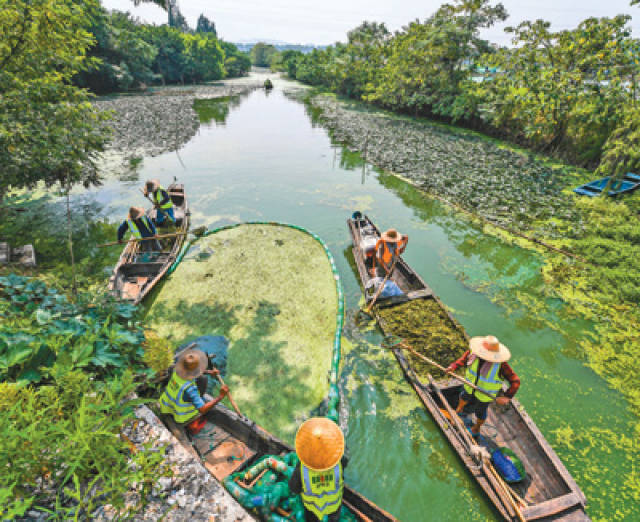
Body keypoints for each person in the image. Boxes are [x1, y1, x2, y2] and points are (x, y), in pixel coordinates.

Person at [446, 335, 520, 438]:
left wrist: (507, 396)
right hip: (469, 386)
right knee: (463, 396)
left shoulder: (501, 365)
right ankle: (458, 411)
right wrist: (453, 366)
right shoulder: (473, 354)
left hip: (485, 394)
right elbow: (462, 360)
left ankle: (476, 428)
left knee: (480, 412)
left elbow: (515, 381)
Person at [289, 417, 346, 522]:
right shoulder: (340, 461)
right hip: (334, 506)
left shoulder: (301, 468)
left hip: (313, 509)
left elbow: (294, 488)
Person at [159, 348, 229, 434]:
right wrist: (220, 396)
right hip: (180, 415)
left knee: (203, 378)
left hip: (167, 405)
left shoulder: (176, 370)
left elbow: (193, 372)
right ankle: (190, 424)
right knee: (202, 411)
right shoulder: (190, 389)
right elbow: (202, 409)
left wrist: (209, 372)